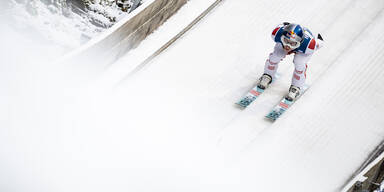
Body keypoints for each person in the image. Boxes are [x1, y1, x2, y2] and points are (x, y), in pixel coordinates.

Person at [257, 22, 324, 101]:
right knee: (275, 57)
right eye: (286, 40)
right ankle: (267, 75)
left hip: (302, 50)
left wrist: (320, 41)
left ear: (300, 42)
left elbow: (318, 44)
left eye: (292, 43)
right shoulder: (276, 33)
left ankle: (296, 87)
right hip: (298, 46)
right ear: (282, 36)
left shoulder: (309, 45)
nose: (288, 46)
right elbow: (281, 25)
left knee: (299, 63)